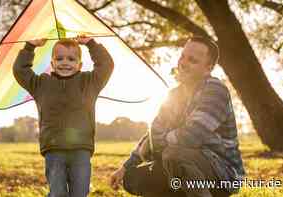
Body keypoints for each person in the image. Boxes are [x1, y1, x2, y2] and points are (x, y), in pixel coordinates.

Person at [110, 36, 245, 197]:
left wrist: (157, 142)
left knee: (174, 154)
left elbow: (191, 137)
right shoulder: (174, 95)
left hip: (222, 174)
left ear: (208, 68)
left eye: (192, 60)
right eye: (183, 56)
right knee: (132, 177)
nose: (183, 63)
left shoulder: (216, 90)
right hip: (185, 166)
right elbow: (153, 132)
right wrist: (125, 168)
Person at [13, 35, 114, 197]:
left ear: (79, 64)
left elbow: (106, 66)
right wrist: (29, 47)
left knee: (80, 193)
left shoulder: (89, 82)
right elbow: (20, 71)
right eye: (59, 58)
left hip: (81, 149)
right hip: (54, 149)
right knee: (58, 192)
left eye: (71, 59)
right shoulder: (41, 84)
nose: (65, 62)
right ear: (52, 63)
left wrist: (91, 44)